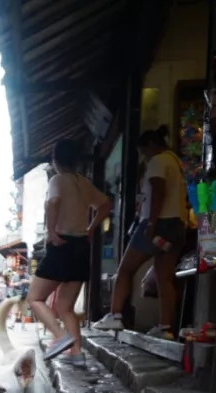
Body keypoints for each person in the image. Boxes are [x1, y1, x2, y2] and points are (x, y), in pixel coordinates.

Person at [93, 125, 187, 340]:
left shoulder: (158, 161)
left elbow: (158, 191)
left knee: (126, 269)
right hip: (176, 226)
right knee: (165, 278)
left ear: (151, 146)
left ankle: (115, 314)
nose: (144, 157)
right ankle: (165, 328)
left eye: (143, 152)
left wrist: (151, 222)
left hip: (157, 224)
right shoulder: (176, 162)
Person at [28, 139, 113, 364]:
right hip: (81, 246)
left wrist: (51, 231)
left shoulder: (57, 180)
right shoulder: (83, 182)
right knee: (66, 306)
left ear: (55, 160)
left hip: (61, 245)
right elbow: (106, 204)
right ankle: (76, 354)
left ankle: (60, 337)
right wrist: (91, 228)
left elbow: (52, 203)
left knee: (34, 297)